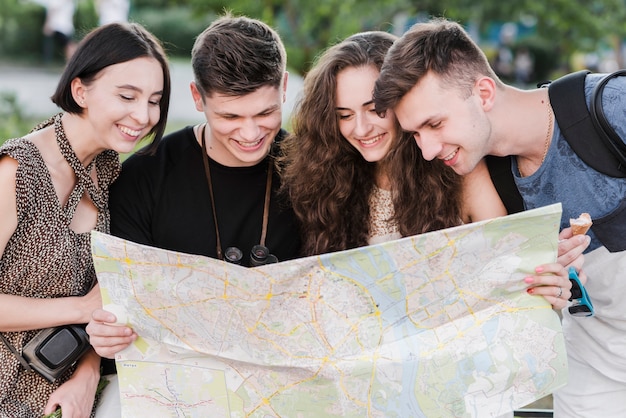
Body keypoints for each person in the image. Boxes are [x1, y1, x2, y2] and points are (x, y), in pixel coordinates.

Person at [372, 17, 623, 417]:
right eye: (415, 134)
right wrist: (556, 280)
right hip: (594, 365)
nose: (427, 149)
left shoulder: (611, 107)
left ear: (484, 92)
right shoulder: (487, 179)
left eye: (434, 124)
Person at [280, 30, 576, 307]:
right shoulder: (327, 183)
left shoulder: (460, 170)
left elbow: (512, 270)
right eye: (344, 115)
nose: (360, 128)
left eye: (375, 110)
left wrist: (550, 285)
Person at [87, 14, 300, 356]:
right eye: (230, 117)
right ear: (197, 97)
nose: (250, 134)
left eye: (264, 114)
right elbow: (124, 307)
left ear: (285, 87)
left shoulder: (315, 172)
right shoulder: (142, 178)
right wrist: (105, 336)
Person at [0, 21, 170, 418]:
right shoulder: (17, 172)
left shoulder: (110, 171)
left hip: (72, 397)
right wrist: (80, 309)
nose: (143, 115)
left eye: (155, 100)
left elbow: (107, 304)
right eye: (127, 96)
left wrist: (88, 374)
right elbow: (92, 305)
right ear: (81, 90)